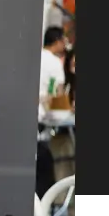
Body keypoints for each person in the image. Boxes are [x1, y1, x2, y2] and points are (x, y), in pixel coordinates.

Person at [38, 27, 68, 200]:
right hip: (44, 118)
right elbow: (58, 92)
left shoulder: (35, 56)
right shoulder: (54, 63)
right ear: (57, 41)